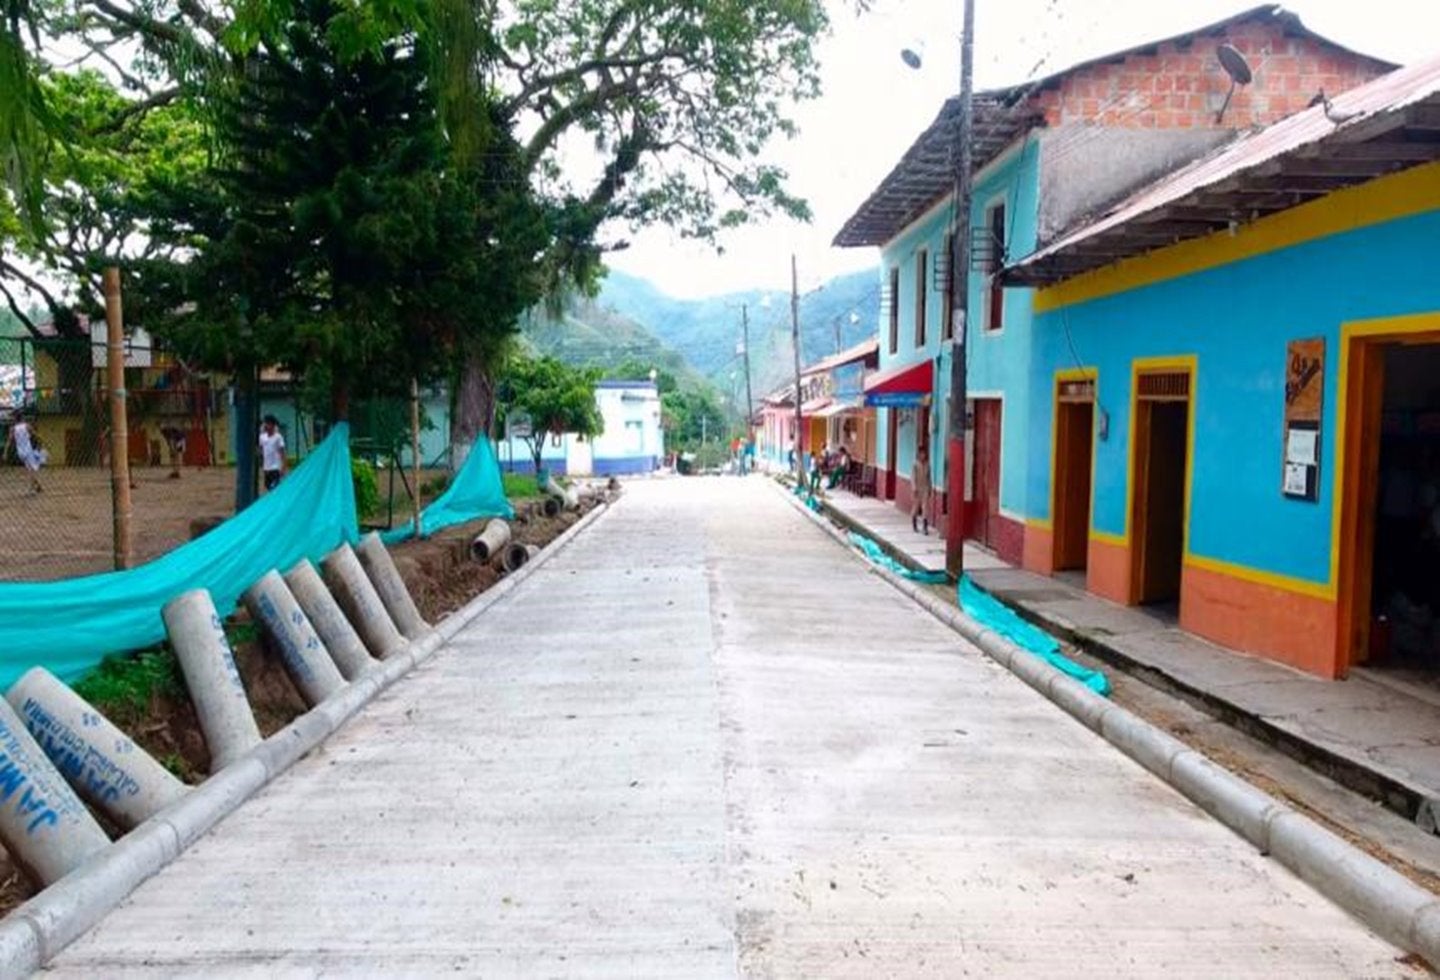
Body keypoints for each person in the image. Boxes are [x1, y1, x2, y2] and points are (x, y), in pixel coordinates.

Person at [6, 412, 44, 494]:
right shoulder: (27, 426)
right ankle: (32, 489)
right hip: (28, 450)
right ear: (22, 418)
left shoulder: (13, 428)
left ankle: (38, 486)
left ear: (15, 419)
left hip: (20, 451)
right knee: (32, 470)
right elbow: (34, 434)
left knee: (29, 469)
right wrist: (40, 439)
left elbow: (9, 441)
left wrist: (5, 452)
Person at [259, 415, 286, 491]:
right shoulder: (262, 437)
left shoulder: (278, 437)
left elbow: (282, 452)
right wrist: (262, 462)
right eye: (265, 424)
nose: (266, 426)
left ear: (273, 425)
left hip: (275, 467)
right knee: (267, 486)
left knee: (274, 487)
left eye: (268, 424)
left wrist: (283, 467)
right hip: (267, 467)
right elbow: (261, 450)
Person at [911, 444, 932, 535]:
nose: (923, 455)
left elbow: (929, 478)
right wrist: (914, 488)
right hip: (917, 489)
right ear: (918, 454)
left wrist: (930, 488)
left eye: (924, 453)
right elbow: (913, 477)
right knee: (916, 508)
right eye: (921, 453)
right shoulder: (915, 465)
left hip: (925, 488)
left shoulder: (928, 465)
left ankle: (925, 527)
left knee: (925, 508)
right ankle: (914, 524)